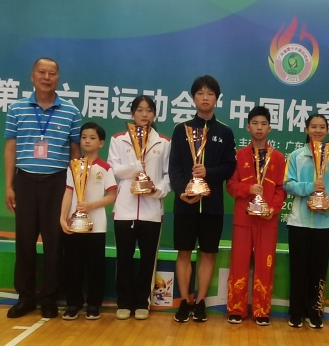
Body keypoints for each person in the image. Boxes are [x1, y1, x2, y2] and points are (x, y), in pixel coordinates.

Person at [4, 58, 81, 319]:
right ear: (32, 76)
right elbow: (11, 148)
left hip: (57, 182)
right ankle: (25, 298)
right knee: (24, 242)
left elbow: (75, 152)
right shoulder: (16, 108)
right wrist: (9, 185)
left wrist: (74, 188)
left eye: (52, 73)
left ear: (58, 78)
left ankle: (49, 298)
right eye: (42, 72)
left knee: (54, 243)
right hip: (25, 181)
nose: (47, 77)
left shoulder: (71, 111)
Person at [169, 75, 236, 323]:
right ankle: (184, 301)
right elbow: (174, 167)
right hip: (185, 204)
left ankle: (200, 302)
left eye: (210, 93)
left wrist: (209, 172)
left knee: (208, 254)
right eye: (200, 93)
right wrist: (181, 192)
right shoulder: (181, 130)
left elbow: (229, 167)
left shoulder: (225, 132)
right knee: (184, 252)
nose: (205, 98)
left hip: (212, 205)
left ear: (217, 98)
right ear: (193, 98)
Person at [107, 95, 171, 320]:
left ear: (155, 115)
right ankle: (124, 302)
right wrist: (136, 167)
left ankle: (143, 302)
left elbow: (168, 175)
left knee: (147, 260)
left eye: (149, 110)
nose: (144, 114)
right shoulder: (119, 139)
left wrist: (157, 190)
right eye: (140, 110)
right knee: (124, 258)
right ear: (132, 113)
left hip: (152, 211)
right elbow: (113, 170)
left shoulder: (163, 142)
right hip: (124, 209)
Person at [226, 106, 287, 326]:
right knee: (239, 263)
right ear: (247, 127)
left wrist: (273, 208)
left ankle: (261, 310)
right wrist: (248, 189)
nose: (259, 128)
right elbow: (230, 186)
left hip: (267, 221)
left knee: (265, 265)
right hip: (243, 219)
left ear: (269, 128)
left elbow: (281, 188)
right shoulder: (239, 156)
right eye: (255, 123)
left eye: (263, 124)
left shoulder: (278, 158)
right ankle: (237, 308)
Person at [283, 114, 329, 329]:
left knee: (319, 270)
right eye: (314, 126)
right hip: (298, 222)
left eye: (322, 127)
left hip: (323, 224)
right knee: (298, 269)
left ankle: (315, 311)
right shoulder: (296, 156)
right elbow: (287, 184)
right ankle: (296, 312)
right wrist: (310, 187)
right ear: (307, 129)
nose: (318, 130)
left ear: (327, 131)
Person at [59, 122, 117, 320]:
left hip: (96, 226)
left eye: (92, 138)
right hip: (74, 224)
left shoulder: (105, 168)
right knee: (72, 266)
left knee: (95, 267)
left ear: (101, 143)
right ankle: (73, 304)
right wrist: (62, 217)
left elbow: (112, 196)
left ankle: (94, 304)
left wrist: (91, 205)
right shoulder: (73, 166)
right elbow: (68, 193)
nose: (87, 141)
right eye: (83, 137)